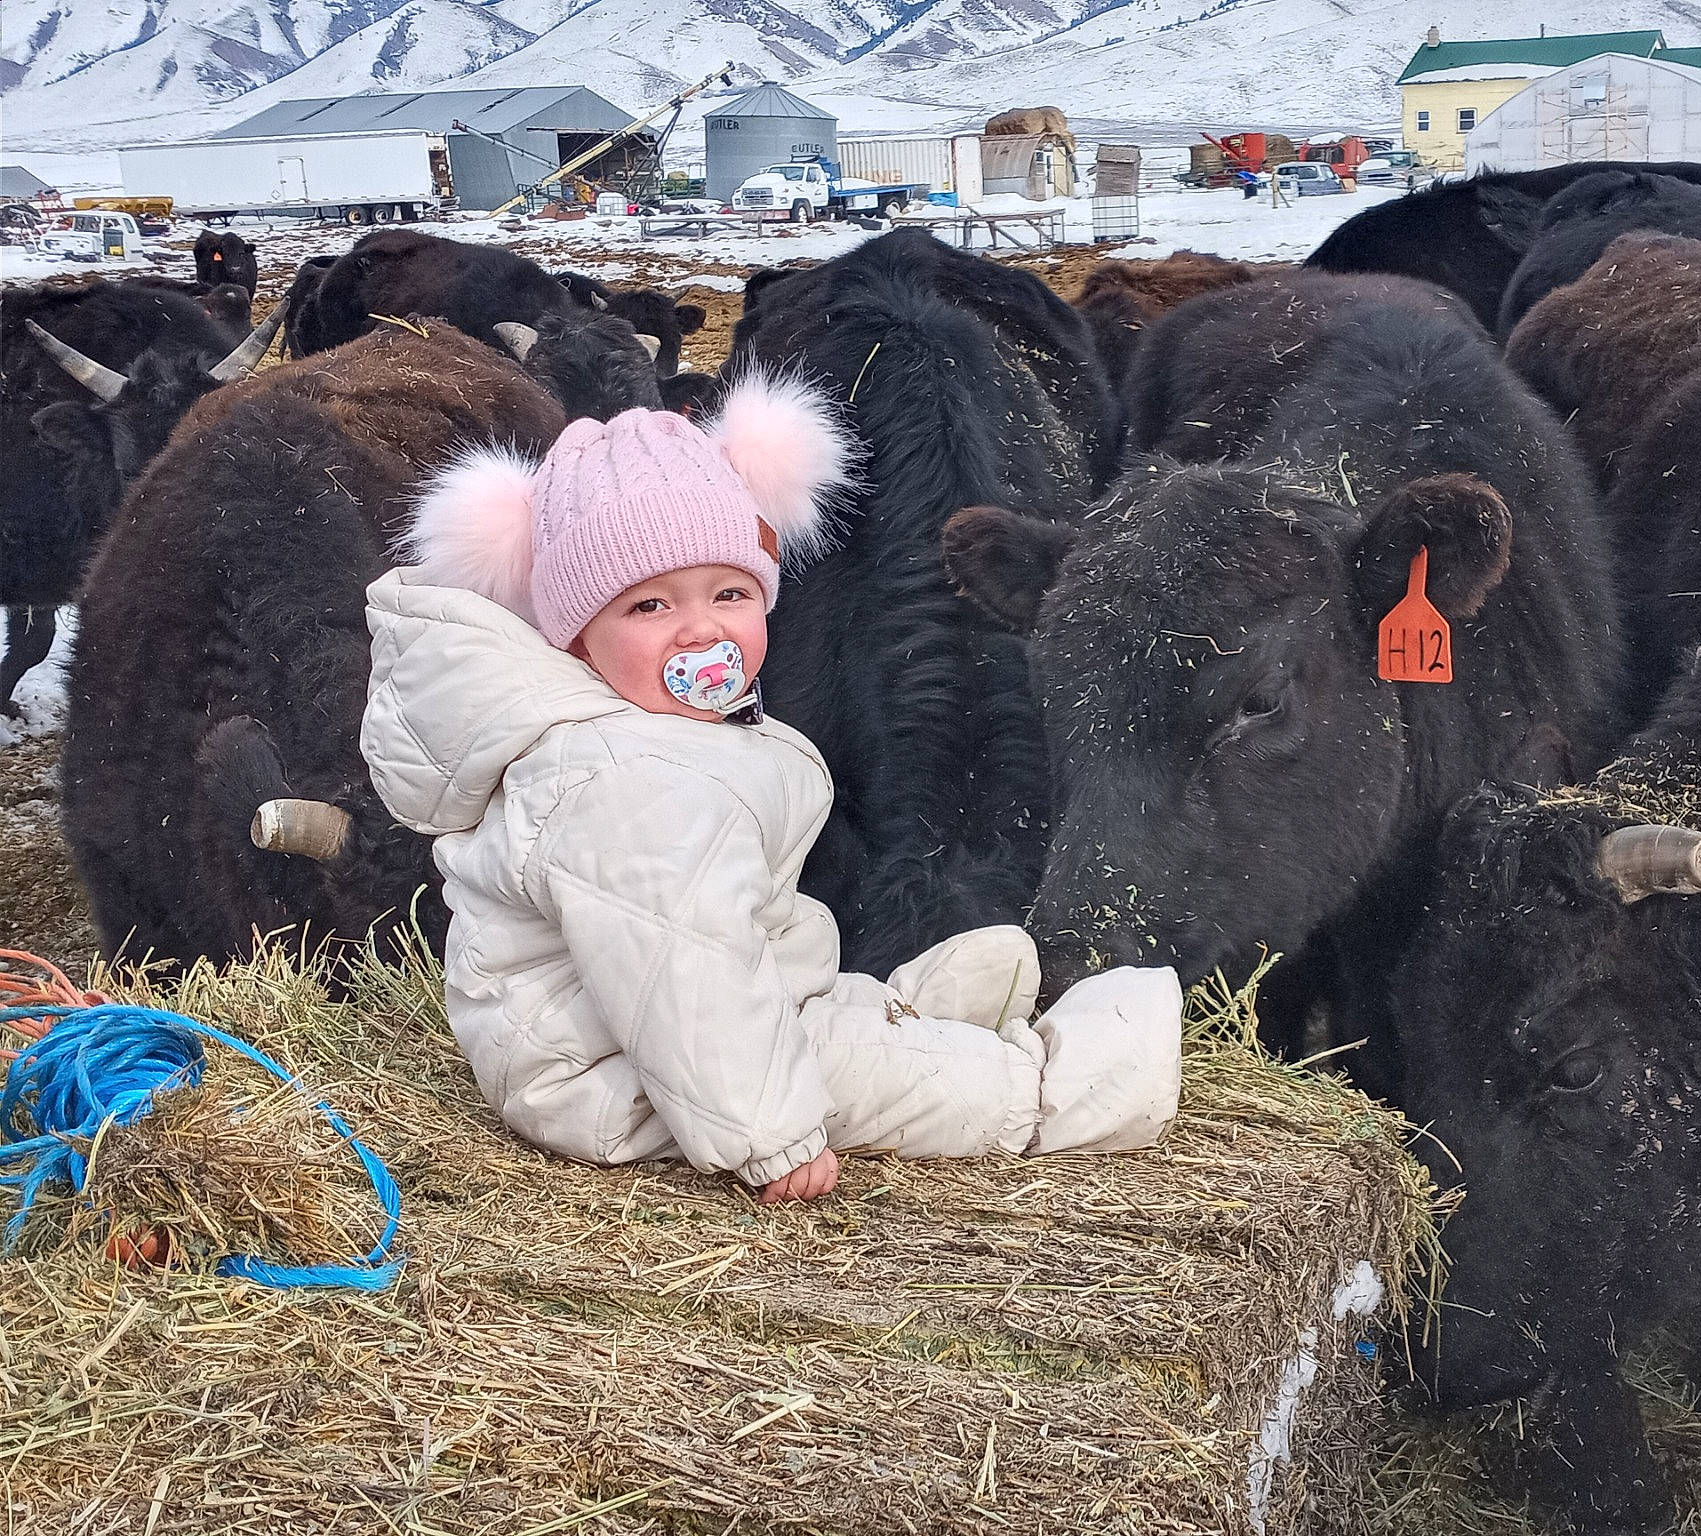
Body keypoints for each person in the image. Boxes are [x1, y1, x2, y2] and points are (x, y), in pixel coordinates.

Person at [359, 382, 1181, 1204]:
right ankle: (1058, 1087)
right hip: (603, 1072)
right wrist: (771, 1135)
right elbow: (680, 972)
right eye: (649, 604)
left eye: (731, 594)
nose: (700, 630)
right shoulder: (621, 779)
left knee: (825, 1018)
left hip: (647, 1020)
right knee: (875, 1079)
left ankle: (903, 1015)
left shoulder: (654, 728)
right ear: (575, 635)